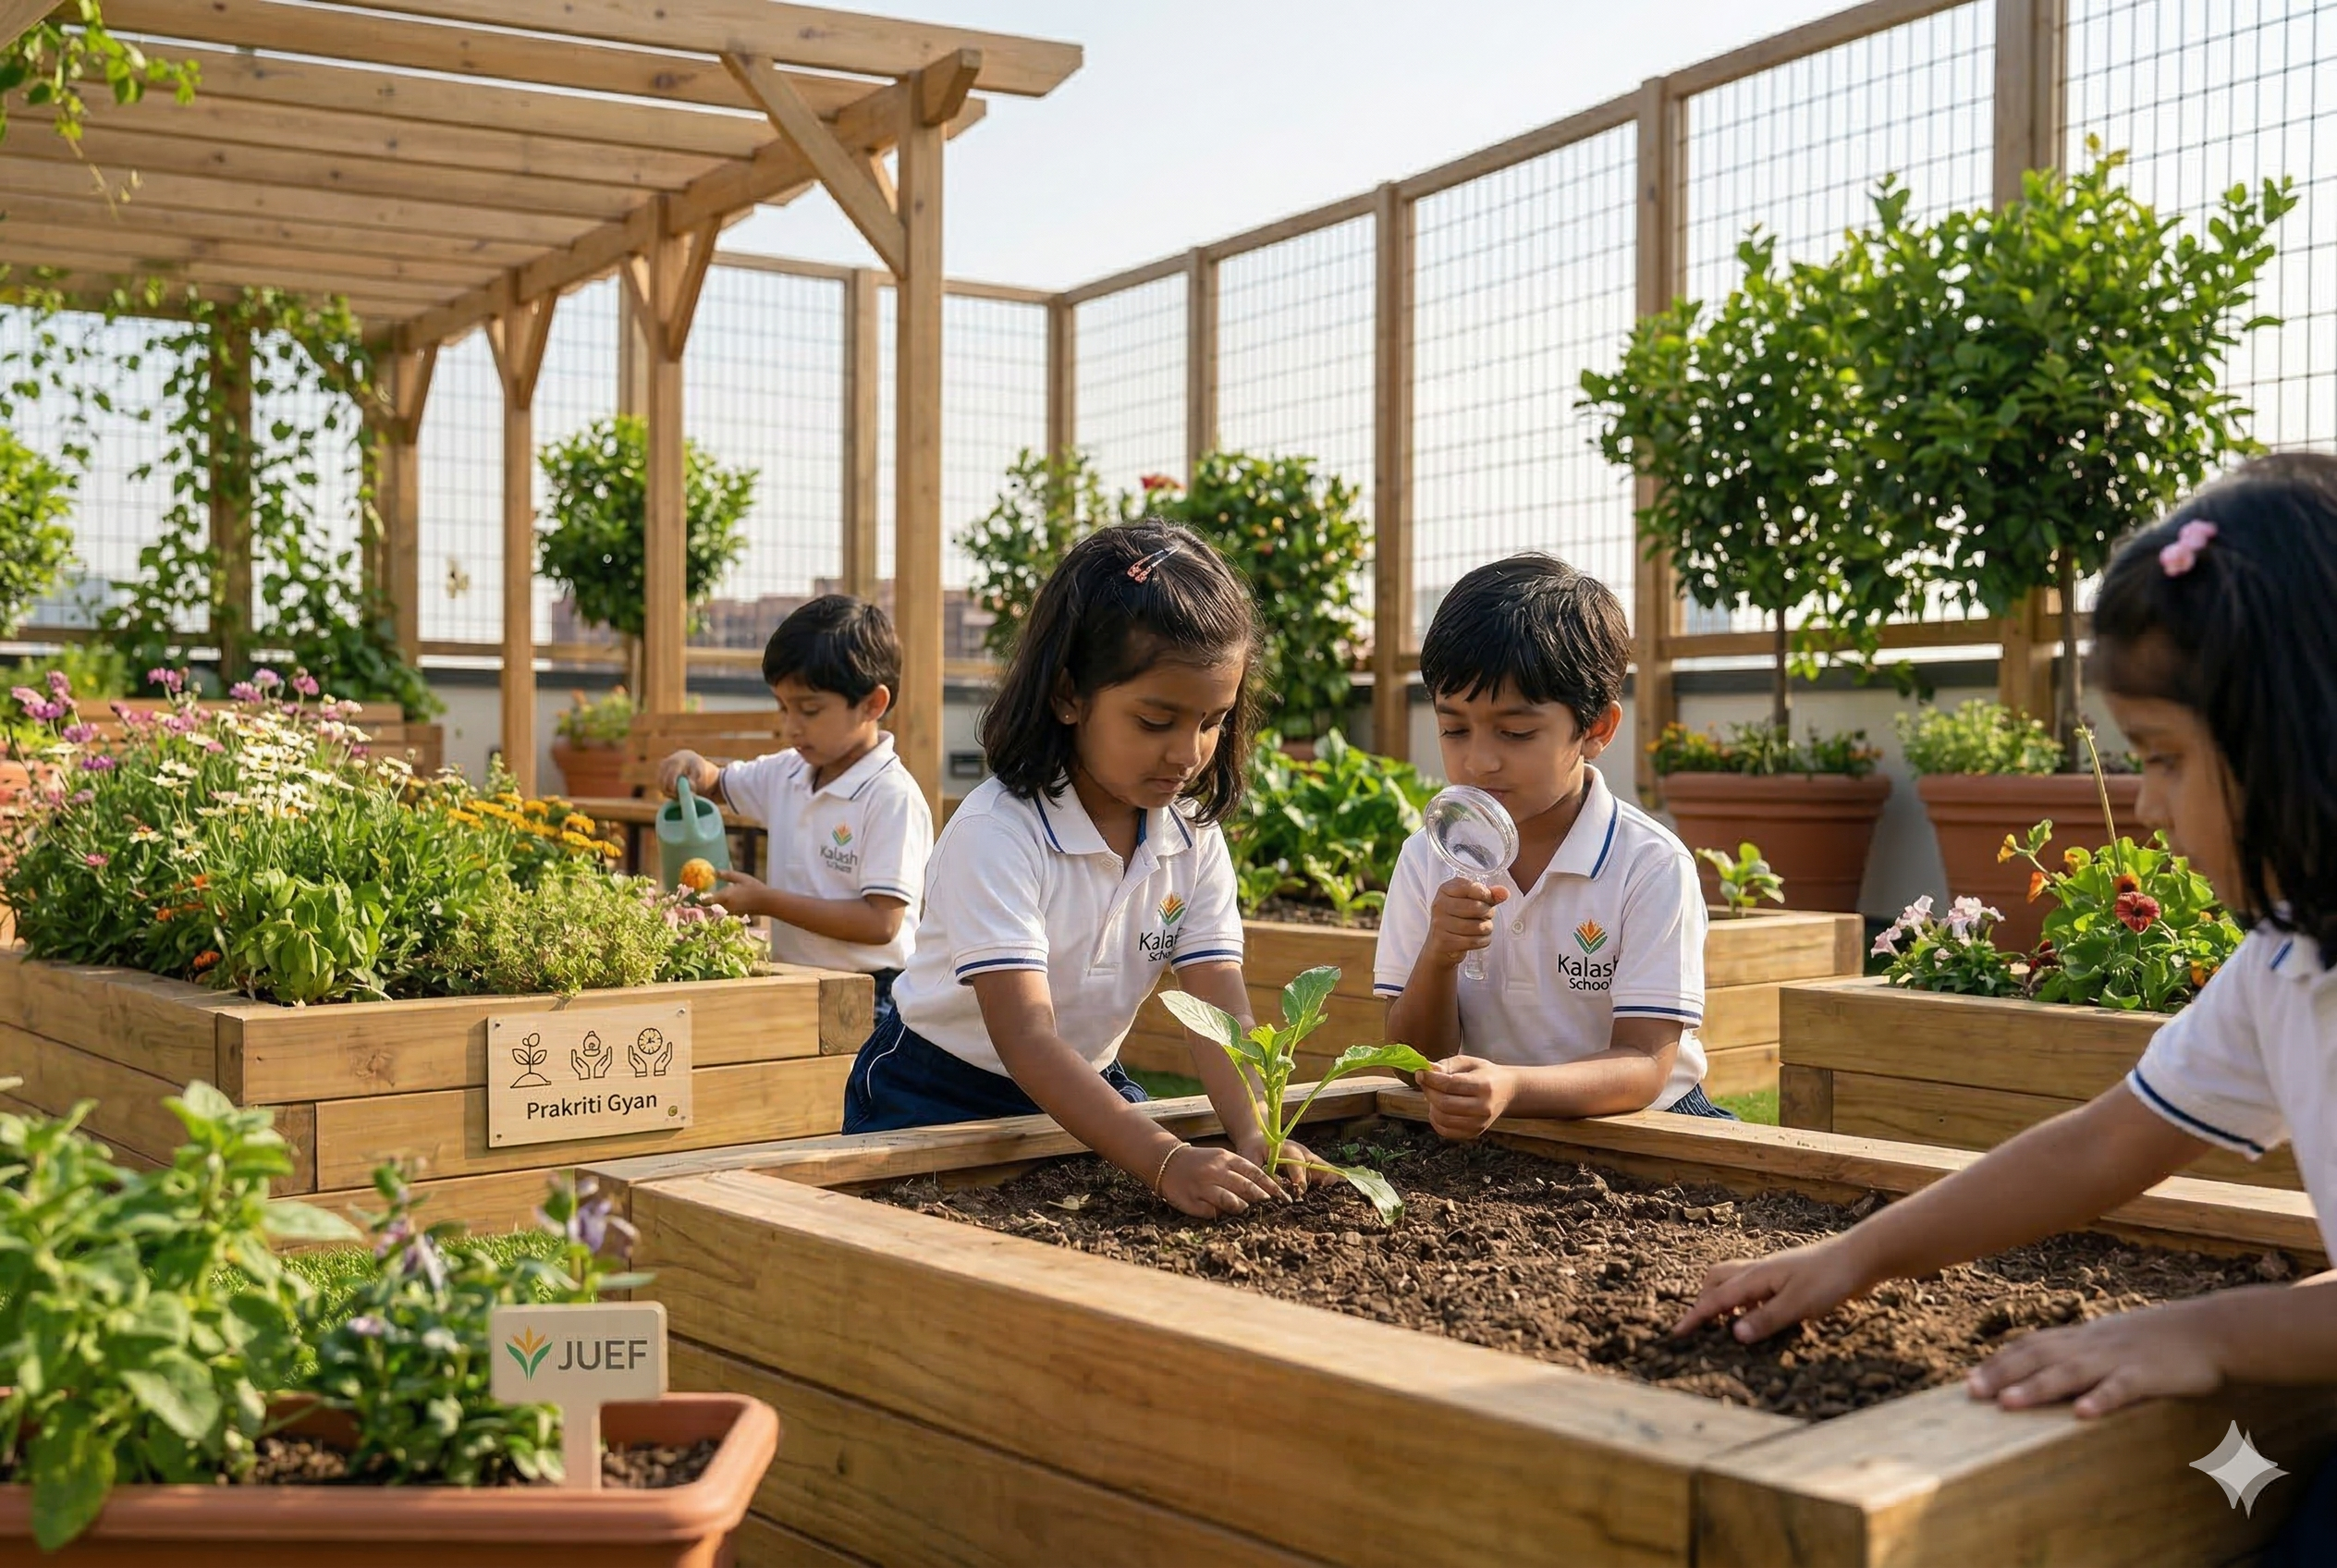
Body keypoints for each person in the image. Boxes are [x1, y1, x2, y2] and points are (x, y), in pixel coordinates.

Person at [1673, 454, 2337, 1561]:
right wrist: (1857, 1256)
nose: (2142, 802)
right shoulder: (2282, 965)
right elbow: (2108, 1138)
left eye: (2165, 758)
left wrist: (2208, 1334)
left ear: (2301, 739)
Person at [843, 520, 1314, 1219]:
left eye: (1212, 720)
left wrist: (1257, 1131)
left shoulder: (1191, 837)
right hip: (935, 1092)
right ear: (1069, 695)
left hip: (1087, 1088)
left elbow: (1218, 1006)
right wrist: (1166, 1159)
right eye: (1155, 721)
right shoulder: (997, 832)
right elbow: (1026, 1038)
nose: (1188, 752)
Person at [1376, 553, 1730, 1139]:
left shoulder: (1649, 864)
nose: (1478, 760)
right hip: (1497, 1124)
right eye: (1453, 728)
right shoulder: (1427, 858)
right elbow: (1411, 1061)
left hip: (1649, 1123)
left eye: (1515, 733)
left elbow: (1645, 1064)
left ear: (1596, 730)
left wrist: (1514, 1086)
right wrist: (1440, 953)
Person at [658, 594, 931, 1012]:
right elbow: (718, 783)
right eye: (783, 707)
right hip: (793, 979)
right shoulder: (787, 772)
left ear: (873, 704)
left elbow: (882, 923)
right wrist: (693, 766)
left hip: (872, 997)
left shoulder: (890, 796)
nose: (791, 726)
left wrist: (767, 902)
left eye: (809, 709)